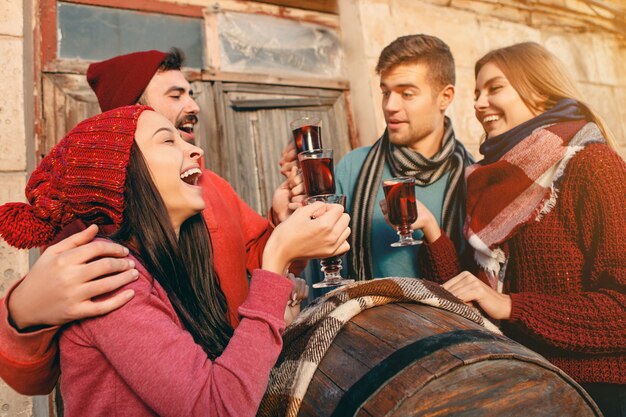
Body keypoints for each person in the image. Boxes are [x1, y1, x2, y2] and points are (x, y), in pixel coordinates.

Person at [0, 105, 350, 416]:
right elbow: (218, 406)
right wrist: (276, 260)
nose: (196, 149)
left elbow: (214, 368)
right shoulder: (109, 276)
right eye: (167, 141)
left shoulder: (175, 258)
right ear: (122, 173)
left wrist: (278, 243)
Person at [0, 49, 303, 394]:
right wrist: (22, 316)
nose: (193, 106)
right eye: (176, 95)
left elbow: (257, 258)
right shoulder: (89, 219)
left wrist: (281, 221)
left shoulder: (210, 185)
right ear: (130, 115)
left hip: (245, 378)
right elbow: (41, 372)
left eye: (190, 93)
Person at [416, 42, 626, 417]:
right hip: (516, 384)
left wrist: (512, 306)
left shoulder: (594, 166)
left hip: (594, 393)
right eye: (477, 93)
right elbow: (471, 302)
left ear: (540, 91)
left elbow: (621, 311)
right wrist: (431, 231)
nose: (479, 103)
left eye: (494, 88)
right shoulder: (490, 180)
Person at [281, 34, 473, 281]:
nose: (390, 106)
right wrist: (292, 212)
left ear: (445, 97)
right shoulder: (353, 168)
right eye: (385, 92)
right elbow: (317, 263)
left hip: (443, 319)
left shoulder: (472, 178)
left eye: (407, 94)